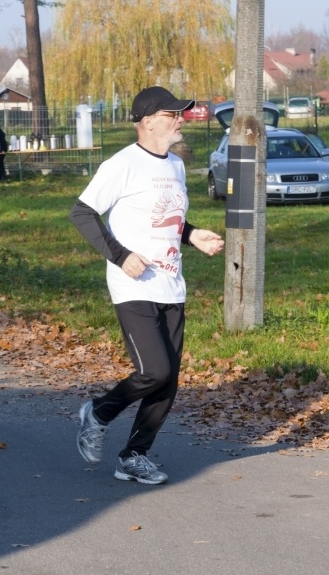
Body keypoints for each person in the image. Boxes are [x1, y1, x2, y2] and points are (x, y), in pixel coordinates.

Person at [69, 86, 225, 485]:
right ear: (149, 121)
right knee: (154, 370)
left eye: (181, 114)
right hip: (133, 284)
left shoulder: (175, 165)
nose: (181, 119)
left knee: (168, 380)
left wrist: (192, 235)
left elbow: (167, 217)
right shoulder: (122, 165)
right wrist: (121, 256)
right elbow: (82, 212)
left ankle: (134, 456)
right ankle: (100, 410)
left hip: (171, 284)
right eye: (174, 114)